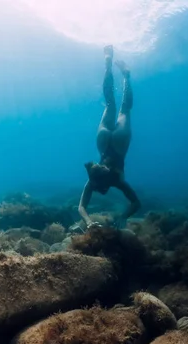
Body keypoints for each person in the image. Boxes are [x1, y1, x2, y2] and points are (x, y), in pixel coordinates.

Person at [78, 45, 141, 230]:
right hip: (103, 143)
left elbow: (137, 204)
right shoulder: (92, 180)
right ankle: (108, 63)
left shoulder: (116, 181)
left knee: (125, 108)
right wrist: (88, 221)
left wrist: (123, 217)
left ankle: (126, 75)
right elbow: (80, 207)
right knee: (110, 103)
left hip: (120, 145)